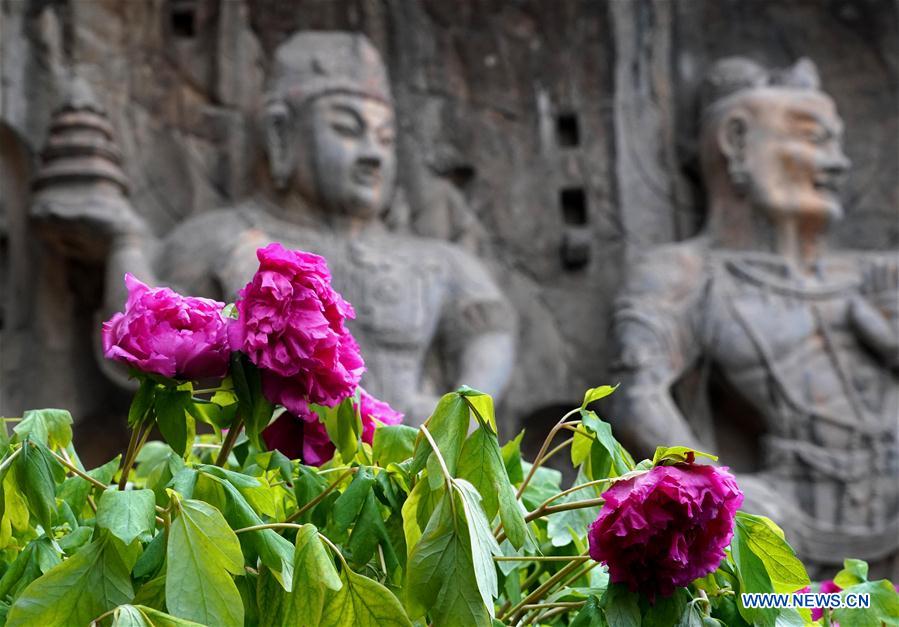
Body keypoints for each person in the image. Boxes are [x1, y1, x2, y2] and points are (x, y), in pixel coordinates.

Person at [95, 32, 516, 425]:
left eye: (385, 139)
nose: (374, 155)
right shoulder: (215, 240)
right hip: (265, 480)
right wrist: (125, 243)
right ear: (281, 133)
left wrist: (455, 412)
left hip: (412, 463)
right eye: (347, 129)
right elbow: (144, 346)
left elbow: (489, 332)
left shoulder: (439, 262)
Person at [611, 57, 899, 576]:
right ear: (736, 141)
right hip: (781, 535)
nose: (838, 163)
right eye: (815, 139)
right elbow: (636, 396)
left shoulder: (880, 277)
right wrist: (722, 491)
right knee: (806, 611)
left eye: (837, 143)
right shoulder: (686, 275)